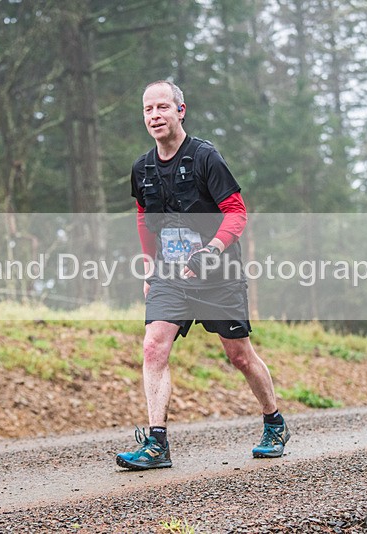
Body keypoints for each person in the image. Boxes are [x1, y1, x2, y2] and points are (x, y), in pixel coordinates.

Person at [115, 80, 290, 470]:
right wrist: (148, 265)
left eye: (163, 107)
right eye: (148, 110)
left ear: (181, 110)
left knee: (239, 356)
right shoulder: (141, 168)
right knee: (153, 346)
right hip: (169, 275)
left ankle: (274, 422)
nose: (155, 116)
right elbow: (145, 217)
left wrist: (212, 249)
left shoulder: (205, 157)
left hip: (218, 274)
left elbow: (236, 211)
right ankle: (157, 443)